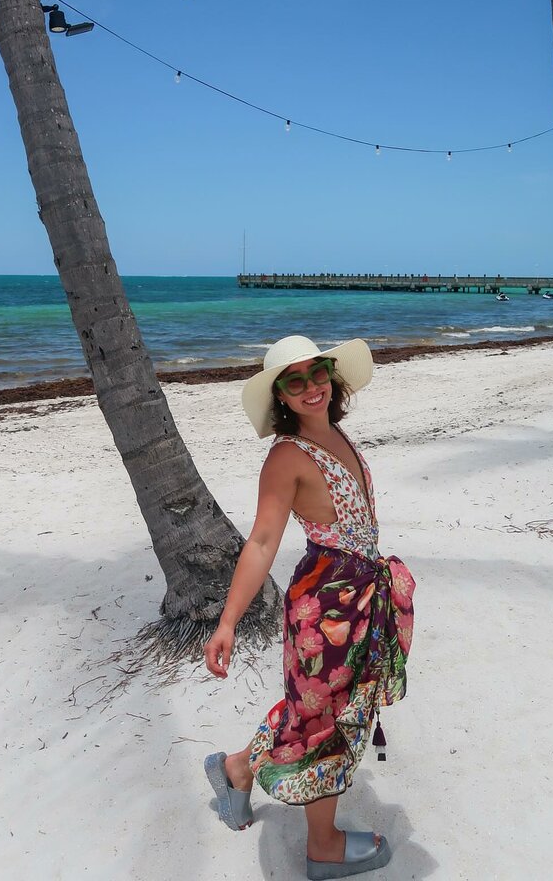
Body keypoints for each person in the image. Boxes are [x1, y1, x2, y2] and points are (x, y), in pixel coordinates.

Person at [203, 335, 415, 880]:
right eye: (294, 381)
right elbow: (261, 542)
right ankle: (322, 847)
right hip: (326, 607)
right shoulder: (286, 457)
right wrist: (227, 621)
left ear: (331, 375)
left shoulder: (334, 432)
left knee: (314, 710)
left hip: (359, 595)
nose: (310, 387)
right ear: (280, 395)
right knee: (323, 720)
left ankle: (236, 770)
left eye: (316, 373)